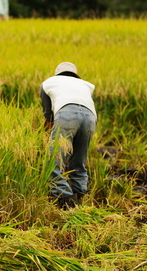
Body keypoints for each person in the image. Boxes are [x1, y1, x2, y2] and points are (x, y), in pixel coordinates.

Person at [40, 62, 97, 209]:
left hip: (66, 114)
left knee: (54, 161)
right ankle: (80, 198)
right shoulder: (86, 85)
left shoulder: (48, 83)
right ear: (75, 74)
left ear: (57, 73)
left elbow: (48, 116)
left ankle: (67, 202)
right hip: (90, 117)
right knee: (79, 161)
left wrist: (48, 138)